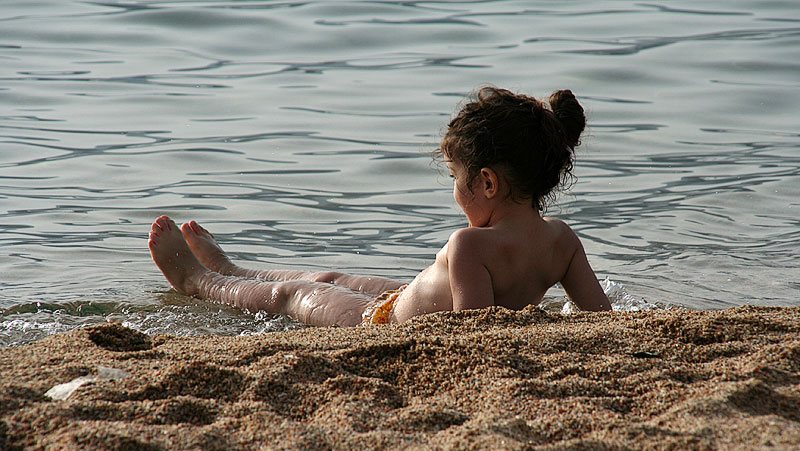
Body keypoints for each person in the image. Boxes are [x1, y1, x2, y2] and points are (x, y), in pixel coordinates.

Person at [148, 87, 611, 327]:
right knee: (330, 278)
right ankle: (233, 268)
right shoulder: (562, 241)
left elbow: (470, 333)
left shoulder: (469, 245)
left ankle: (200, 279)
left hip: (377, 321)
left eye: (456, 178)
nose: (454, 191)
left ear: (486, 182)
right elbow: (600, 319)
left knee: (290, 295)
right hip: (407, 298)